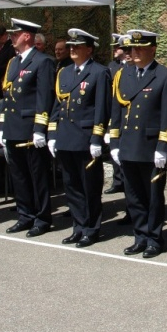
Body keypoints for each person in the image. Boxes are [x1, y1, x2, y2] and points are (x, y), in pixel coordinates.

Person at [109, 30, 167, 258]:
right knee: (134, 196)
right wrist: (115, 141)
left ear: (152, 49)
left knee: (153, 197)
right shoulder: (124, 74)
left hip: (150, 146)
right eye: (132, 49)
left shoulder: (164, 76)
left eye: (140, 48)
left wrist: (163, 146)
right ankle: (140, 236)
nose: (135, 53)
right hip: (128, 144)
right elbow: (118, 110)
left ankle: (154, 239)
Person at [47, 28, 111, 247]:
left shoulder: (99, 72)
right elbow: (57, 105)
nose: (72, 50)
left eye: (77, 46)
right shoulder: (64, 73)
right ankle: (78, 226)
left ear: (89, 49)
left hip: (84, 138)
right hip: (65, 136)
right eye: (71, 46)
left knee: (89, 187)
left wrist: (97, 138)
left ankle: (91, 229)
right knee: (71, 186)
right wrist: (52, 133)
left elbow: (101, 108)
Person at [0, 18, 56, 238]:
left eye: (16, 33)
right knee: (19, 176)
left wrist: (41, 128)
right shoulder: (14, 63)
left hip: (30, 127)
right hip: (13, 126)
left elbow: (44, 97)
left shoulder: (43, 62)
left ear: (27, 36)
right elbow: (7, 96)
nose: (12, 37)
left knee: (36, 175)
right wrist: (2, 124)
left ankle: (41, 218)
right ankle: (25, 215)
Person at [103, 33, 127, 197]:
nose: (115, 51)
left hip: (127, 114)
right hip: (114, 111)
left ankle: (124, 182)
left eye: (117, 48)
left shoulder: (128, 66)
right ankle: (118, 181)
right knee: (114, 150)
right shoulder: (112, 66)